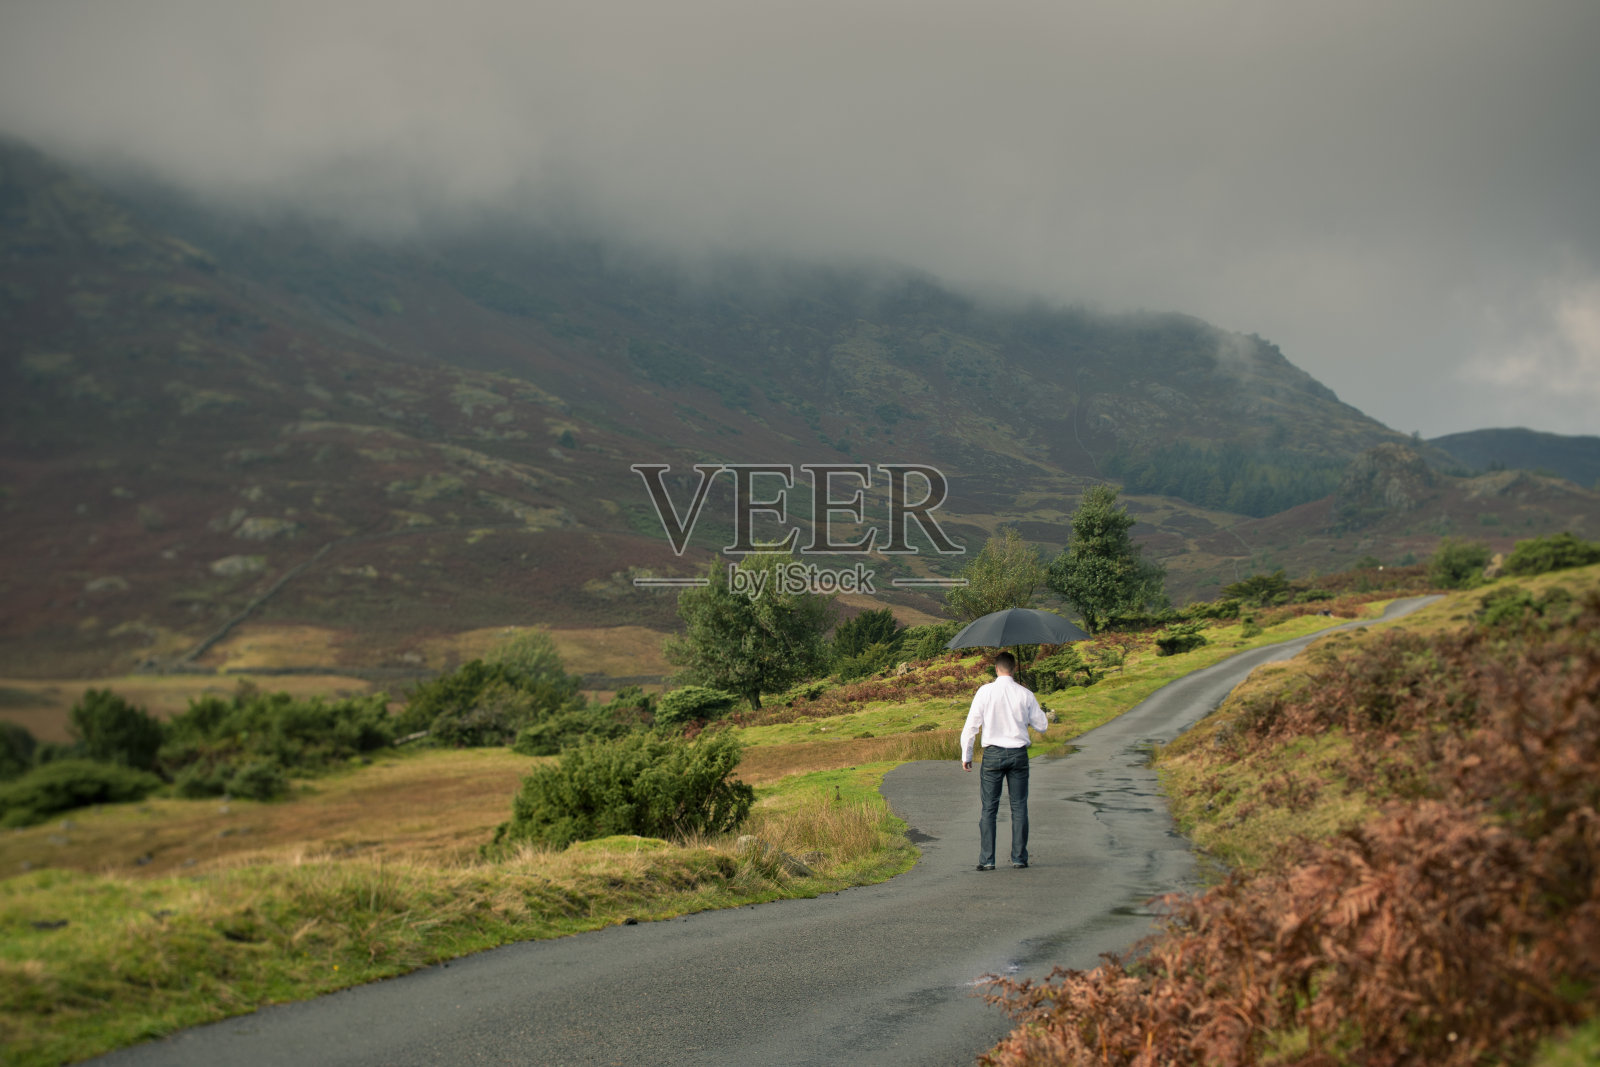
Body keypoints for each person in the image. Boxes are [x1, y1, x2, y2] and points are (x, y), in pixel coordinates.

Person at [960, 651, 1048, 871]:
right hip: (1018, 754)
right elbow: (1043, 725)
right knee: (1019, 806)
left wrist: (967, 755)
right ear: (1014, 669)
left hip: (992, 755)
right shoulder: (1025, 693)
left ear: (996, 669)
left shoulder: (984, 692)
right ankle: (1019, 857)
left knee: (989, 808)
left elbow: (971, 726)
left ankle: (987, 860)